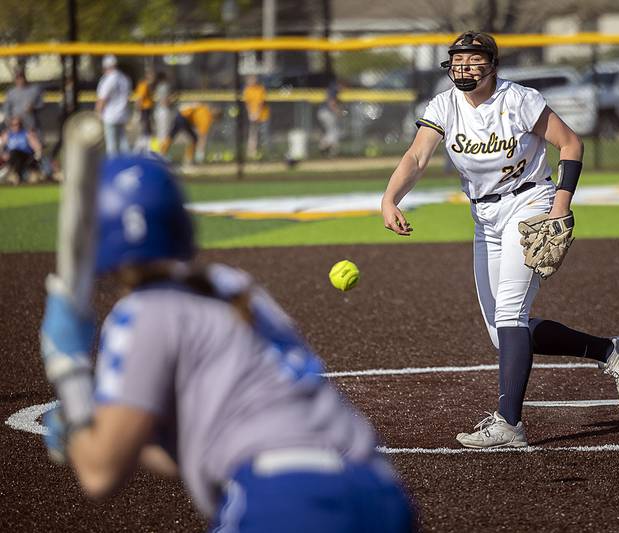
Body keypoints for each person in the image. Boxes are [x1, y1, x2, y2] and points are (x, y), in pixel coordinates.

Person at [39, 155, 416, 531]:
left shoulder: (142, 312)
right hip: (379, 493)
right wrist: (87, 427)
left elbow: (100, 473)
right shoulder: (234, 286)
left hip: (283, 501)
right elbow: (201, 447)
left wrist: (69, 372)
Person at [380, 31, 619, 449]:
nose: (464, 68)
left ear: (492, 65)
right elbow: (416, 156)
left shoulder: (518, 99)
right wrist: (390, 198)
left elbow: (570, 143)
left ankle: (509, 423)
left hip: (530, 204)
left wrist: (560, 206)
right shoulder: (444, 105)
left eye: (474, 61)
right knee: (502, 334)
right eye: (458, 61)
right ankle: (611, 351)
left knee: (512, 315)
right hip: (485, 217)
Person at [95, 54, 132, 156]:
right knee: (123, 143)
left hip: (110, 115)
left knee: (112, 146)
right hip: (122, 114)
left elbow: (102, 99)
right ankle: (127, 166)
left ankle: (115, 169)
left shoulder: (109, 79)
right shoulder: (124, 78)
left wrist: (97, 113)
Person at [0, 115, 43, 184]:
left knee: (15, 153)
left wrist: (38, 153)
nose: (16, 126)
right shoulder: (8, 134)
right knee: (13, 153)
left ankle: (16, 175)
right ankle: (14, 175)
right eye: (13, 125)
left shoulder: (26, 133)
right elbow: (1, 145)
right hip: (12, 158)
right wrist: (3, 154)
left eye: (18, 124)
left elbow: (37, 146)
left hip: (25, 156)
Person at [2, 67, 43, 132]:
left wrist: (33, 107)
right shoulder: (11, 92)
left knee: (33, 140)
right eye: (17, 78)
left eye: (21, 77)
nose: (19, 80)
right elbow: (6, 109)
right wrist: (9, 121)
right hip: (16, 125)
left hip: (30, 124)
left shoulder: (34, 90)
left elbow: (41, 105)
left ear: (25, 77)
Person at [243, 74, 270, 160]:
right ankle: (252, 152)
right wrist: (250, 113)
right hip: (252, 115)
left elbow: (261, 103)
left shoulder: (260, 89)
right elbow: (247, 103)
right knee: (253, 134)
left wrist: (257, 113)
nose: (251, 81)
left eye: (253, 79)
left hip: (263, 116)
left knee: (263, 135)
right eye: (250, 80)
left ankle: (263, 153)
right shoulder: (247, 90)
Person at [132, 69, 156, 152]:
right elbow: (140, 98)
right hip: (145, 108)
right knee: (145, 127)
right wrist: (137, 109)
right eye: (151, 76)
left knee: (148, 128)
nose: (153, 78)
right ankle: (143, 147)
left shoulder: (147, 85)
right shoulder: (144, 84)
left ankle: (149, 146)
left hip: (147, 108)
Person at [317, 79, 342, 157]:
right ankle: (324, 146)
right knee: (334, 131)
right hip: (327, 113)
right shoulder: (334, 90)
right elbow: (332, 103)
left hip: (322, 113)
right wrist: (338, 112)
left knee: (332, 131)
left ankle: (328, 149)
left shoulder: (330, 89)